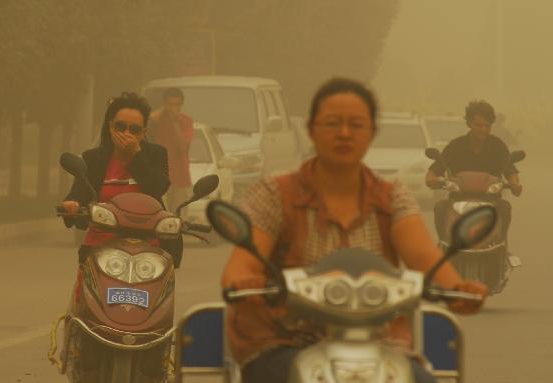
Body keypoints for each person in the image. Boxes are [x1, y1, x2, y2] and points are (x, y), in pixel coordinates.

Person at [221, 78, 487, 383]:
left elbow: (424, 257)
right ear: (311, 130)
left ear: (371, 133)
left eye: (356, 124)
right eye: (333, 123)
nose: (344, 133)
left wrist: (458, 289)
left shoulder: (392, 196)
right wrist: (247, 283)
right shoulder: (274, 194)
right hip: (286, 344)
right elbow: (240, 266)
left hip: (381, 346)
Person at [62, 92, 173, 263]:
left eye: (134, 130)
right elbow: (79, 192)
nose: (126, 133)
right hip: (100, 246)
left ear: (143, 132)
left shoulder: (156, 154)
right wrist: (72, 204)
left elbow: (158, 186)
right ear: (110, 127)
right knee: (85, 286)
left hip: (147, 247)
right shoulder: (93, 158)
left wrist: (135, 156)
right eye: (120, 127)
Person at [425, 100, 522, 241]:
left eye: (487, 126)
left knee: (505, 207)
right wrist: (431, 180)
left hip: (491, 201)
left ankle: (501, 247)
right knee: (441, 207)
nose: (483, 129)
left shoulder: (498, 146)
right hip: (457, 200)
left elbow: (511, 171)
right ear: (469, 124)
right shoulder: (455, 146)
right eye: (479, 125)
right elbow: (435, 170)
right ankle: (444, 246)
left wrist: (515, 185)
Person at [148, 87, 194, 215]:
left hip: (180, 176)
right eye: (171, 104)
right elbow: (150, 119)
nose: (175, 108)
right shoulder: (158, 119)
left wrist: (175, 123)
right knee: (159, 213)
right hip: (160, 174)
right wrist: (164, 110)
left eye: (178, 104)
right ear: (164, 104)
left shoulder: (186, 121)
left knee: (178, 216)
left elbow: (183, 147)